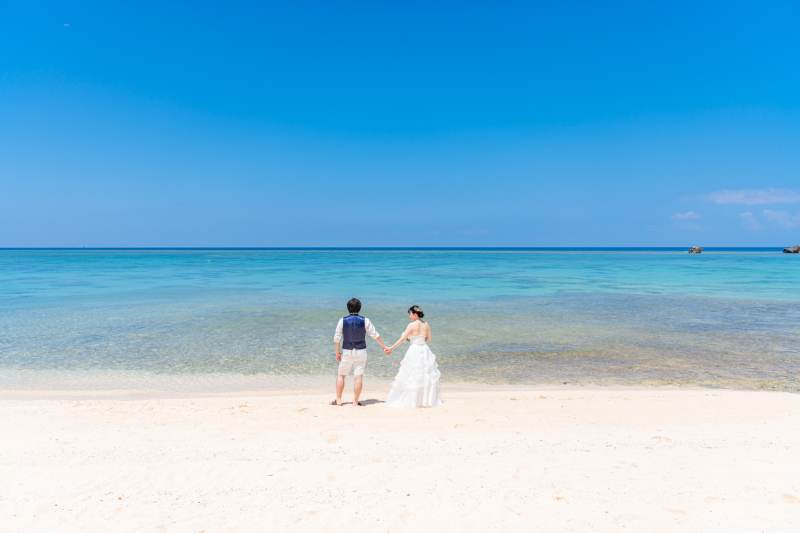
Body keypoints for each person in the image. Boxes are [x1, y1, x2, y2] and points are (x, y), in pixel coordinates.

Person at [383, 305, 443, 409]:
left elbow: (402, 339)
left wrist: (391, 348)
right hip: (425, 349)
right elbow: (429, 338)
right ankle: (425, 401)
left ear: (415, 315)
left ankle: (412, 401)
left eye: (410, 314)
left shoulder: (411, 325)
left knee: (412, 375)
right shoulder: (426, 324)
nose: (409, 316)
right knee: (425, 375)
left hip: (414, 350)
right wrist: (419, 341)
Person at [331, 298, 387, 407]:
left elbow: (337, 338)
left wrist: (337, 353)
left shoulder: (342, 320)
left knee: (341, 375)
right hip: (361, 351)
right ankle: (355, 402)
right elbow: (375, 335)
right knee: (358, 377)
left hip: (347, 350)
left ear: (348, 308)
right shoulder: (365, 320)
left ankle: (338, 400)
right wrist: (384, 346)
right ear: (359, 308)